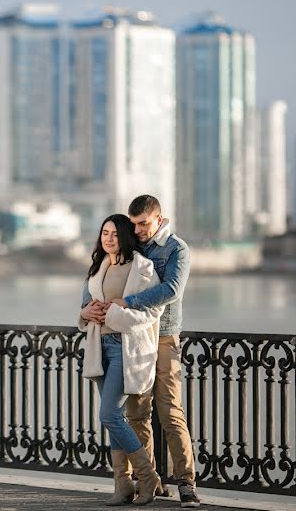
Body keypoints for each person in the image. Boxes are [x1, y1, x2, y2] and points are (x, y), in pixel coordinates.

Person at [108, 194, 201, 508]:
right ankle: (151, 482)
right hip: (134, 338)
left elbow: (172, 290)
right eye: (133, 225)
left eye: (143, 224)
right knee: (137, 414)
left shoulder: (177, 249)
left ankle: (187, 485)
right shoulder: (133, 245)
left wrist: (128, 303)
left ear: (159, 219)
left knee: (171, 413)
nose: (137, 230)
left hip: (163, 339)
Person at [79, 213, 165, 506]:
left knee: (110, 415)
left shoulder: (142, 269)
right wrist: (85, 314)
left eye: (115, 234)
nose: (109, 238)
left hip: (124, 348)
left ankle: (148, 475)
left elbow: (152, 311)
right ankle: (123, 486)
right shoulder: (97, 269)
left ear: (126, 236)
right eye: (104, 233)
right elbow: (84, 307)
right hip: (99, 348)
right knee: (112, 417)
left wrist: (115, 314)